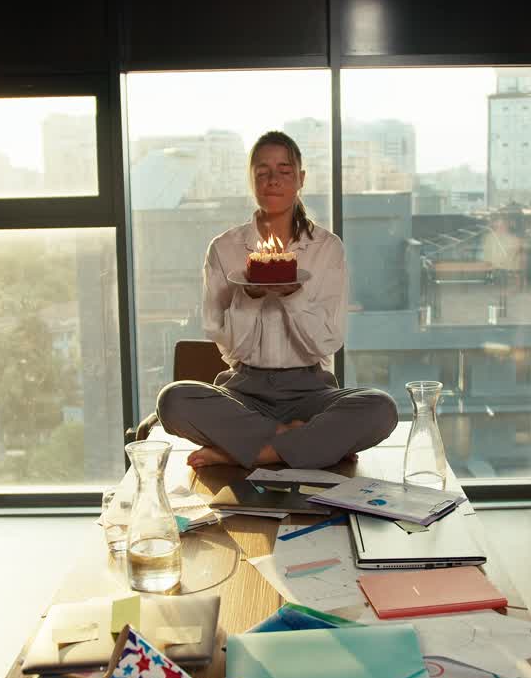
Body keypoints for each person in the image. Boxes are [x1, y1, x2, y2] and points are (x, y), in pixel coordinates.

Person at [156, 130, 398, 470]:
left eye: (284, 171)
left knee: (381, 408)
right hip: (242, 391)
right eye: (262, 171)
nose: (273, 180)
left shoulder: (327, 248)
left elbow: (324, 344)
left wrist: (293, 297)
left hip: (311, 391)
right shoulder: (224, 249)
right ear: (251, 179)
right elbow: (231, 349)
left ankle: (250, 452)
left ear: (301, 179)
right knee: (173, 401)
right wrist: (250, 296)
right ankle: (304, 443)